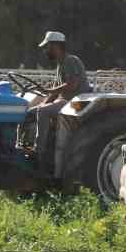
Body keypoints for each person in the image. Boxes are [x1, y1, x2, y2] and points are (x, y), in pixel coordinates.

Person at [28, 31, 91, 161]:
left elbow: (72, 85)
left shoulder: (71, 60)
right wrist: (44, 102)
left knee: (43, 112)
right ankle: (23, 142)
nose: (46, 51)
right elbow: (55, 91)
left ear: (56, 46)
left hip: (75, 102)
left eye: (47, 47)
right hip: (64, 100)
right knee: (31, 112)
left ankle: (39, 150)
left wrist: (48, 92)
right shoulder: (60, 64)